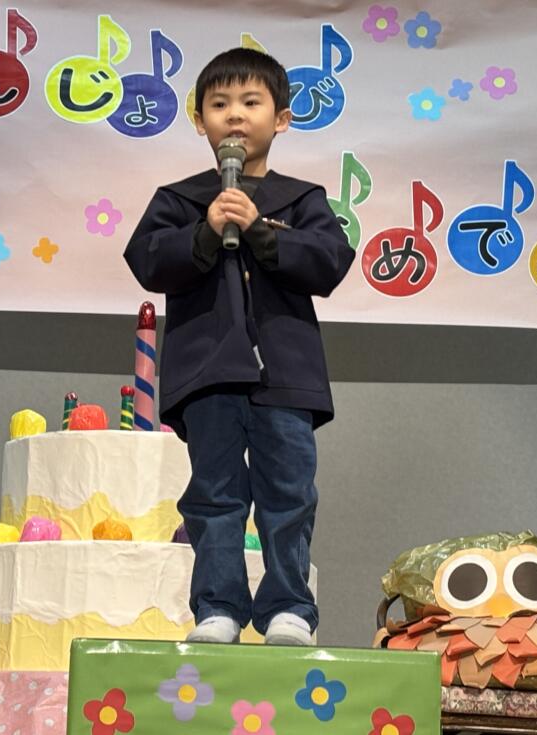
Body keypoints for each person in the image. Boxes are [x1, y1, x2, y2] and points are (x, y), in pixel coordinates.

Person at [123, 47, 354, 646]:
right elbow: (147, 259)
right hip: (208, 374)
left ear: (282, 118)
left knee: (289, 494)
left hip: (285, 377)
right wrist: (205, 230)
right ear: (199, 120)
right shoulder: (179, 199)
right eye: (219, 104)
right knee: (214, 495)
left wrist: (259, 229)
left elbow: (329, 261)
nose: (234, 115)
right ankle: (218, 607)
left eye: (251, 102)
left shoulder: (301, 199)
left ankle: (289, 608)